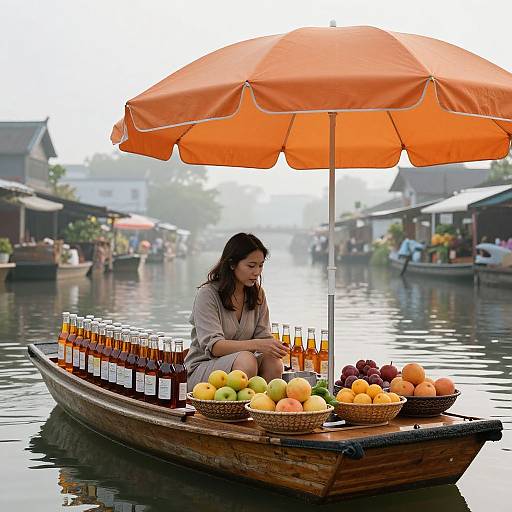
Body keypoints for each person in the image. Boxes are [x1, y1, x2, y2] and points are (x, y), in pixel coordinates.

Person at [185, 233, 287, 391]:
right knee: (246, 359)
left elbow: (263, 338)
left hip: (245, 368)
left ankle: (263, 409)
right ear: (232, 264)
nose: (257, 272)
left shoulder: (258, 293)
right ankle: (238, 411)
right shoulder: (207, 294)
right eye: (251, 266)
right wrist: (258, 344)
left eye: (260, 265)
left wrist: (274, 347)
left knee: (273, 361)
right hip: (203, 369)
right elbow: (215, 347)